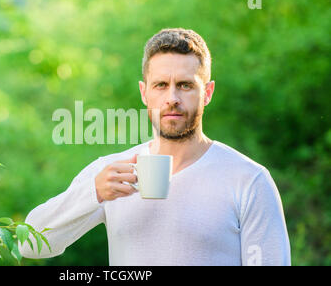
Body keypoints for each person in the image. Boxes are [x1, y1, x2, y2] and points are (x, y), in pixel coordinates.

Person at [19, 28, 291, 266]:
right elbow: (29, 244)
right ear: (144, 92)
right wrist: (92, 193)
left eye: (185, 85)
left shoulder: (249, 180)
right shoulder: (111, 174)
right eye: (161, 85)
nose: (172, 98)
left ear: (207, 93)